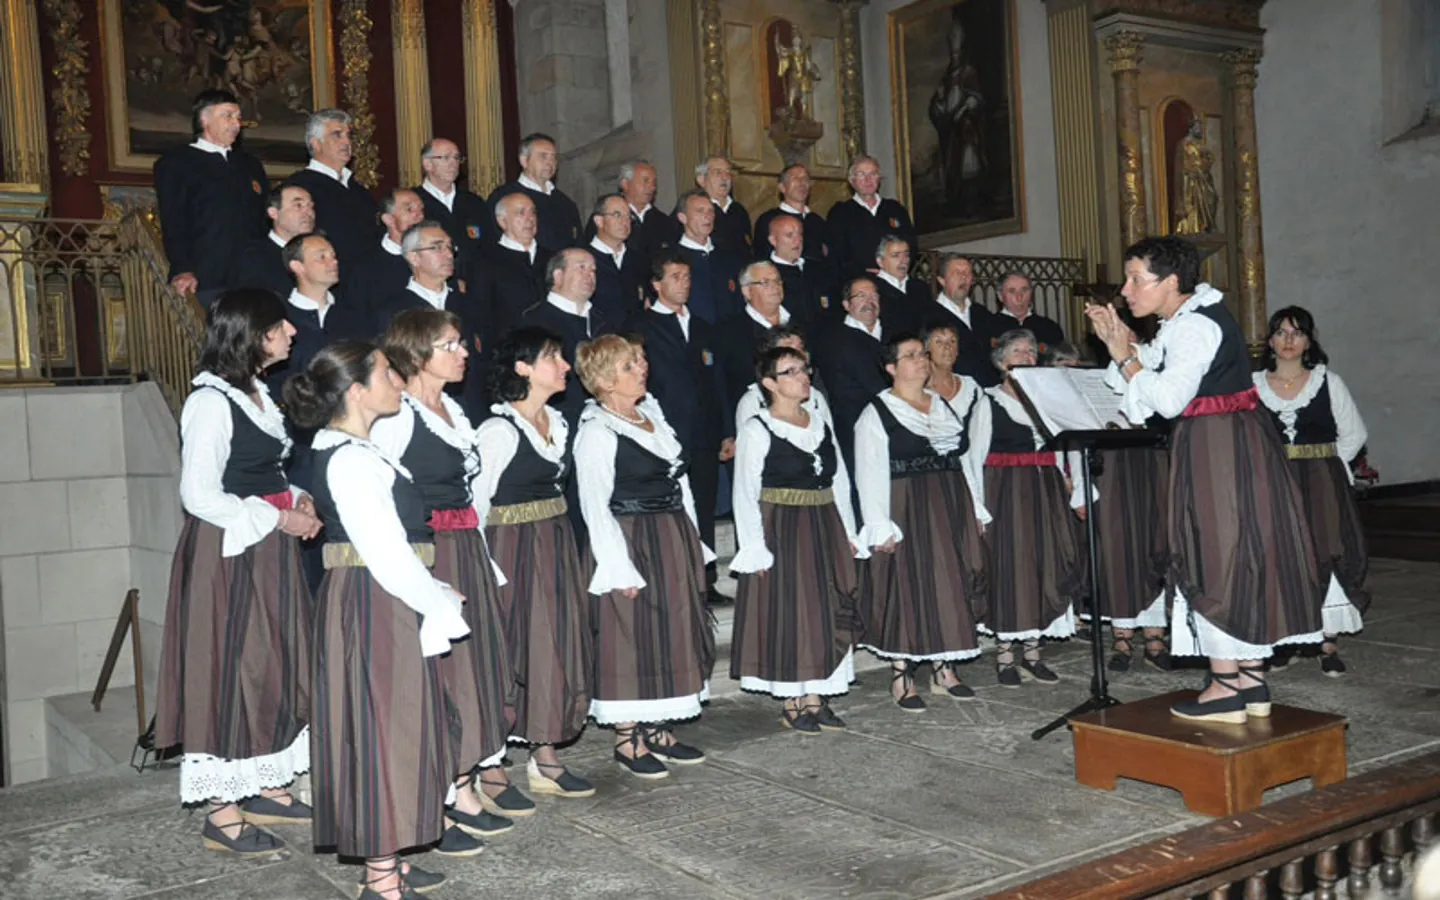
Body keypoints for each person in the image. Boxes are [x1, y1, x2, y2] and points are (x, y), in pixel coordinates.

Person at [1087, 236, 1324, 723]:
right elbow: (1153, 368)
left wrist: (1124, 355)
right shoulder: (1188, 320)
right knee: (1244, 549)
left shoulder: (1194, 326)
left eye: (1136, 280)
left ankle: (1225, 686)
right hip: (1232, 443)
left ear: (1171, 282)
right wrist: (1124, 350)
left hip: (1217, 448)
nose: (1126, 291)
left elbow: (1168, 398)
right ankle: (1252, 681)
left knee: (1214, 551)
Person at [286, 341, 479, 897]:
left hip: (383, 596)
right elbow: (384, 552)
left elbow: (397, 547)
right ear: (355, 390)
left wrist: (435, 588)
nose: (397, 381)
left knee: (399, 724)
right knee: (380, 728)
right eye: (386, 374)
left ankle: (391, 856)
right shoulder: (347, 458)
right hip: (373, 603)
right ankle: (380, 878)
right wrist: (437, 602)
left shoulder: (360, 450)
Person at [155, 290, 315, 856]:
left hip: (264, 544)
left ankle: (269, 785)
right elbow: (199, 494)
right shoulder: (211, 402)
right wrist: (279, 517)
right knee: (228, 669)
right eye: (279, 326)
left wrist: (297, 499)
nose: (291, 331)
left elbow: (261, 472)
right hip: (229, 555)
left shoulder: (255, 394)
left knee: (272, 662)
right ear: (252, 334)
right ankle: (222, 814)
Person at [372, 310, 519, 839]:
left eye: (460, 341)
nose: (463, 352)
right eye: (450, 344)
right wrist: (416, 567)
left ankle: (464, 782)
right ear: (417, 353)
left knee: (469, 670)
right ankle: (436, 794)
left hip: (465, 548)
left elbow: (472, 494)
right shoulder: (397, 416)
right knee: (439, 675)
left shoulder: (452, 410)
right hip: (429, 553)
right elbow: (381, 496)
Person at [573, 335, 714, 778]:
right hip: (630, 537)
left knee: (670, 630)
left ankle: (659, 728)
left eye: (640, 359)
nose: (642, 368)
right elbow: (594, 504)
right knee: (631, 636)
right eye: (630, 364)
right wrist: (617, 566)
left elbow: (680, 481)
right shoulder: (597, 430)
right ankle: (627, 738)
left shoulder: (650, 415)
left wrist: (693, 540)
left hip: (669, 534)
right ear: (604, 379)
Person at [472, 328, 596, 803]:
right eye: (553, 358)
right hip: (512, 550)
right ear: (522, 369)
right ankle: (493, 768)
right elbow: (476, 507)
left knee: (553, 645)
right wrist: (485, 570)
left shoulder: (556, 423)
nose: (565, 366)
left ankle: (545, 756)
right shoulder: (499, 431)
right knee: (510, 648)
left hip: (554, 544)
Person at [730, 345, 865, 734]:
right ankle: (792, 698)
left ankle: (817, 696)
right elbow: (744, 492)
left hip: (822, 523)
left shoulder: (820, 421)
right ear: (770, 383)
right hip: (782, 527)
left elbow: (839, 482)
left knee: (824, 607)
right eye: (790, 372)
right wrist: (755, 547)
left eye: (804, 369)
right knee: (792, 612)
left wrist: (848, 532)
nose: (803, 377)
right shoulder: (757, 428)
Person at [854, 334, 989, 708]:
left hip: (949, 502)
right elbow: (869, 471)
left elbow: (963, 462)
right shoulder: (877, 412)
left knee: (949, 582)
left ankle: (943, 668)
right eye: (910, 356)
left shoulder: (941, 406)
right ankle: (901, 674)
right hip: (906, 506)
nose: (921, 360)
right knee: (908, 586)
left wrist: (975, 508)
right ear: (891, 367)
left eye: (922, 354)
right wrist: (879, 525)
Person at [1255, 306, 1369, 676]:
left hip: (1320, 482)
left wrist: (1330, 472)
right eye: (1281, 332)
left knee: (1325, 552)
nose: (1289, 340)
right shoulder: (1252, 385)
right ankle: (1287, 637)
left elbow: (1354, 434)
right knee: (1279, 555)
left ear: (1308, 341)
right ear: (1270, 340)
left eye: (1297, 333)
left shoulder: (1327, 382)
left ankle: (1326, 641)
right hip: (1272, 482)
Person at [977, 329, 1086, 687]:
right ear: (1001, 361)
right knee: (1011, 569)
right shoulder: (986, 401)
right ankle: (1006, 654)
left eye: (1030, 352)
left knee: (1044, 562)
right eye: (1018, 352)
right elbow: (974, 456)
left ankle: (1034, 652)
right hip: (1005, 492)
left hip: (1044, 488)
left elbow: (1061, 445)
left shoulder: (1046, 399)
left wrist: (1066, 479)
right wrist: (979, 505)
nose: (1026, 357)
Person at [628, 252, 733, 607]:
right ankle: (677, 579)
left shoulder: (703, 327)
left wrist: (726, 430)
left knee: (703, 507)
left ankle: (706, 581)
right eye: (675, 276)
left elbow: (718, 380)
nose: (684, 283)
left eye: (687, 276)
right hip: (665, 434)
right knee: (673, 508)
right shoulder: (640, 327)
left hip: (704, 434)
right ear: (656, 284)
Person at [154, 90, 270, 307]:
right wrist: (183, 269)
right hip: (208, 277)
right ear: (204, 119)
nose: (236, 123)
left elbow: (263, 220)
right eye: (227, 115)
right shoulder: (176, 164)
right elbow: (174, 220)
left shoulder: (250, 165)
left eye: (238, 117)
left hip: (253, 278)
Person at [520, 247, 616, 431]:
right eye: (581, 267)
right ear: (558, 275)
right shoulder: (534, 322)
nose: (590, 275)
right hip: (558, 420)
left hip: (606, 419)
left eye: (593, 270)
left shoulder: (604, 321)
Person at [287, 109, 382, 268]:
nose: (346, 142)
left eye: (347, 135)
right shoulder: (300, 187)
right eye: (337, 135)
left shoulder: (357, 189)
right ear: (315, 143)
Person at [813, 277, 888, 475]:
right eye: (861, 296)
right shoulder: (835, 340)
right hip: (855, 428)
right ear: (846, 305)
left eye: (874, 295)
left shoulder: (892, 333)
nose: (869, 301)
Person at [713, 261, 794, 419]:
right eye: (765, 282)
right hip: (752, 418)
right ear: (746, 291)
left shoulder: (798, 324)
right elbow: (720, 387)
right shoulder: (728, 332)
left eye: (778, 281)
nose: (775, 287)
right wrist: (727, 434)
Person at [825, 155, 919, 282]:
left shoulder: (895, 209)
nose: (868, 179)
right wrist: (866, 274)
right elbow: (837, 256)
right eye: (861, 174)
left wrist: (894, 270)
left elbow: (911, 245)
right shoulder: (840, 213)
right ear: (852, 181)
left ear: (879, 179)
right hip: (860, 284)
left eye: (873, 174)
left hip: (896, 281)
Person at [487, 133, 583, 253]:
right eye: (543, 156)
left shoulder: (566, 203)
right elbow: (492, 240)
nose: (550, 162)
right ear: (524, 161)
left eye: (553, 157)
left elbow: (578, 245)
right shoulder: (504, 197)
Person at [351, 188, 427, 326]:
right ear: (389, 219)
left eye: (421, 210)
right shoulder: (365, 267)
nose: (419, 216)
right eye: (409, 210)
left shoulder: (435, 256)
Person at [925, 254, 1002, 387]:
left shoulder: (982, 314)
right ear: (942, 280)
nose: (963, 277)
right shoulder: (928, 316)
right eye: (957, 273)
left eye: (967, 273)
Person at [416, 138, 490, 273]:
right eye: (446, 158)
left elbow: (487, 245)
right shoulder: (414, 203)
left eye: (457, 158)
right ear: (427, 164)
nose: (453, 163)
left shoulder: (474, 202)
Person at [671, 189, 745, 324]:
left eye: (710, 211)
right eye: (700, 211)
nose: (708, 216)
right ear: (682, 217)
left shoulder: (728, 255)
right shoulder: (671, 258)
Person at [373, 221, 464, 328]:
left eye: (450, 247)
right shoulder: (396, 313)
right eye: (437, 247)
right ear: (414, 258)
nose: (449, 255)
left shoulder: (466, 303)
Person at [235, 182, 314, 300]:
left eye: (311, 206)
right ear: (273, 213)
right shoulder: (252, 258)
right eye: (298, 205)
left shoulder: (320, 253)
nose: (309, 213)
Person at [752, 163, 833, 268]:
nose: (801, 183)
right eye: (795, 178)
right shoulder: (769, 220)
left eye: (805, 179)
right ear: (782, 187)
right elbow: (762, 260)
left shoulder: (817, 221)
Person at [588, 192, 649, 324]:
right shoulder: (584, 260)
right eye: (617, 215)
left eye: (628, 216)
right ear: (599, 221)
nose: (625, 222)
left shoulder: (639, 260)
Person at [764, 214, 832, 328]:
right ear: (773, 240)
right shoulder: (765, 273)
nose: (798, 240)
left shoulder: (817, 268)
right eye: (789, 235)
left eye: (800, 234)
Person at [618, 160, 675, 275]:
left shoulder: (664, 222)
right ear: (625, 184)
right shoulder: (607, 216)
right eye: (645, 181)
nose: (652, 187)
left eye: (654, 182)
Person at [872, 235, 931, 334]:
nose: (903, 260)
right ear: (880, 261)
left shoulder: (920, 288)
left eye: (906, 255)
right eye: (896, 255)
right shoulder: (873, 290)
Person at [696, 156, 751, 255]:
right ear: (701, 180)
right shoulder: (693, 209)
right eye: (718, 172)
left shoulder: (738, 210)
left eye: (728, 173)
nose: (725, 177)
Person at [996, 272, 1065, 350]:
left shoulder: (1049, 327)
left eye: (1024, 290)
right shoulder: (988, 326)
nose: (1019, 297)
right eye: (1012, 291)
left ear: (1031, 293)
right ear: (1000, 296)